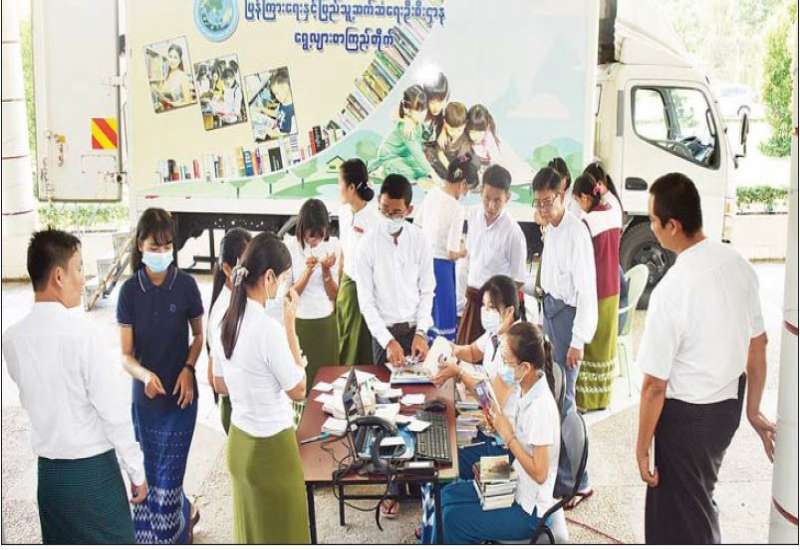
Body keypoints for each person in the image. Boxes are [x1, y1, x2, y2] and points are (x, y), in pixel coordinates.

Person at [635, 173, 775, 544]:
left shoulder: (672, 289)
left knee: (684, 520)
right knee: (693, 503)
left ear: (673, 225)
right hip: (726, 410)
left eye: (653, 220)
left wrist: (642, 447)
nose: (652, 228)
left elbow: (654, 386)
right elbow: (758, 344)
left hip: (686, 419)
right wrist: (753, 410)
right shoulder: (738, 264)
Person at [1, 230, 147, 544]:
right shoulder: (84, 335)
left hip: (49, 479)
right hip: (93, 475)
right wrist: (136, 471)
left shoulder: (12, 339)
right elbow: (113, 414)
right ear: (58, 276)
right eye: (79, 268)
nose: (83, 279)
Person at [422, 323, 560, 544]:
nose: (502, 366)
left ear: (525, 367)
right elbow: (493, 402)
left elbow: (540, 473)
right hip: (514, 477)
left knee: (452, 520)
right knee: (446, 496)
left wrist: (508, 436)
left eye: (506, 361)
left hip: (530, 509)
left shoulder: (540, 407)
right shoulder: (526, 386)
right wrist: (498, 421)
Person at [212, 233, 309, 543]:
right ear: (268, 277)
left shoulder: (225, 320)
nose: (284, 285)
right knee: (285, 533)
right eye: (283, 278)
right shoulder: (268, 329)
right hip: (271, 448)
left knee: (251, 534)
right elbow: (298, 390)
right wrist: (291, 327)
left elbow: (220, 383)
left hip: (239, 442)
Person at [117, 208, 204, 544]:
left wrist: (189, 368)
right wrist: (144, 376)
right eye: (154, 247)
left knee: (168, 484)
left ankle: (175, 531)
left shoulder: (186, 285)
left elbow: (199, 336)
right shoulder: (129, 292)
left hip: (181, 400)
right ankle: (185, 513)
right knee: (147, 481)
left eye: (167, 247)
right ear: (140, 246)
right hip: (146, 402)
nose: (161, 253)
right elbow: (126, 356)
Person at [531, 167, 597, 508]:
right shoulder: (551, 229)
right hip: (552, 315)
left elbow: (587, 291)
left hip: (570, 321)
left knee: (567, 404)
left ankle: (578, 482)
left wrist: (578, 340)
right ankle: (561, 475)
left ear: (563, 196)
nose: (542, 208)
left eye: (548, 202)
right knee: (553, 401)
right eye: (538, 203)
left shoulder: (575, 232)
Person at [433, 275, 526, 475]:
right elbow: (473, 352)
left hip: (506, 445)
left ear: (509, 311)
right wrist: (450, 348)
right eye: (484, 306)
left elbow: (492, 401)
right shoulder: (496, 333)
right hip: (489, 427)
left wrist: (459, 372)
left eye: (491, 307)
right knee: (442, 439)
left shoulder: (516, 349)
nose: (485, 312)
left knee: (443, 461)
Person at [356, 173, 435, 369]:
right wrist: (387, 341)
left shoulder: (420, 240)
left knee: (419, 385)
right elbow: (366, 302)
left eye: (397, 212)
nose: (389, 217)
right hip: (384, 334)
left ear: (409, 210)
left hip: (414, 332)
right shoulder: (367, 244)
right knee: (384, 385)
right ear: (378, 202)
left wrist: (421, 332)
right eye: (384, 210)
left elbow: (427, 291)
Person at [457, 164, 527, 345]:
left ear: (507, 198)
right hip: (472, 301)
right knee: (466, 353)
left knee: (493, 356)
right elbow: (468, 259)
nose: (491, 205)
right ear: (481, 191)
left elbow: (518, 280)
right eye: (487, 198)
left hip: (496, 310)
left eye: (497, 200)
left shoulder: (513, 232)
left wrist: (499, 309)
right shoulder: (472, 216)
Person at [571, 173, 621, 412]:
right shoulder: (613, 211)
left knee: (590, 341)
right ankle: (603, 398)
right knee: (605, 345)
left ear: (584, 197)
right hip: (613, 286)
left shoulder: (587, 222)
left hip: (596, 289)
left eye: (576, 200)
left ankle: (586, 401)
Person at [415, 154, 475, 341]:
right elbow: (451, 252)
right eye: (468, 189)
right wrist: (465, 251)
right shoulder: (457, 208)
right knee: (444, 319)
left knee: (427, 314)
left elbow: (417, 224)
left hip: (423, 263)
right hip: (442, 269)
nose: (465, 194)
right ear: (462, 184)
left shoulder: (432, 193)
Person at [288, 199, 340, 390]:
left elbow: (334, 294)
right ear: (302, 229)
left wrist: (326, 271)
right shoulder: (290, 247)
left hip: (326, 322)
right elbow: (290, 295)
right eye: (311, 235)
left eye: (320, 235)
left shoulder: (333, 245)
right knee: (302, 382)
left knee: (328, 383)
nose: (315, 240)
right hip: (300, 322)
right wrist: (308, 272)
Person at [207, 227, 253, 434]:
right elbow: (214, 378)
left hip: (244, 402)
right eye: (246, 265)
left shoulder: (240, 296)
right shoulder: (223, 310)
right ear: (227, 268)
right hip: (236, 406)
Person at [336, 158, 379, 366]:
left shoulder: (374, 218)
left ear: (352, 187)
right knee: (343, 339)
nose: (338, 188)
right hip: (346, 284)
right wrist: (338, 287)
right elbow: (344, 252)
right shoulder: (343, 212)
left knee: (359, 345)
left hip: (364, 288)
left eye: (340, 183)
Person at [368, 85, 436, 187]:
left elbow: (421, 144)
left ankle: (415, 177)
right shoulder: (406, 128)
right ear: (408, 110)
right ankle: (381, 171)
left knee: (422, 167)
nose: (423, 114)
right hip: (389, 157)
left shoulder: (417, 123)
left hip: (403, 155)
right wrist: (432, 173)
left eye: (424, 109)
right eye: (419, 110)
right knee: (417, 170)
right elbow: (417, 153)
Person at [424, 102, 473, 182]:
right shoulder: (442, 133)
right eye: (452, 130)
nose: (455, 133)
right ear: (445, 123)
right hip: (440, 159)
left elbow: (462, 161)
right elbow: (439, 152)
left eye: (459, 130)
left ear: (465, 124)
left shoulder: (465, 142)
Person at [151, 44, 195, 111]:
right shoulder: (166, 75)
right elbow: (164, 96)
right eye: (170, 56)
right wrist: (158, 93)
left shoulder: (183, 76)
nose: (172, 60)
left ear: (179, 60)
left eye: (175, 57)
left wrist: (173, 104)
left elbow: (188, 103)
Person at [421, 71, 449, 141]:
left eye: (440, 101)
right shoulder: (419, 112)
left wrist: (444, 130)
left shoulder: (445, 116)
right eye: (432, 102)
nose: (436, 107)